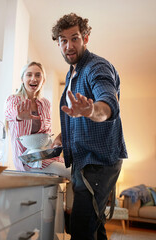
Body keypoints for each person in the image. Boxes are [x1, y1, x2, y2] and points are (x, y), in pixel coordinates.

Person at [50, 13, 128, 239]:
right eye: (63, 40)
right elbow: (78, 117)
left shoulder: (97, 66)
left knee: (81, 229)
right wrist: (63, 135)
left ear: (85, 37)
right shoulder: (72, 73)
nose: (68, 45)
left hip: (99, 162)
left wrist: (93, 110)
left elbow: (108, 103)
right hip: (86, 162)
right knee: (93, 227)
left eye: (74, 38)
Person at [4, 61, 70, 179]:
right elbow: (9, 113)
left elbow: (46, 134)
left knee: (75, 169)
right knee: (71, 172)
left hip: (43, 156)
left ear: (43, 80)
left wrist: (54, 144)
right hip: (27, 160)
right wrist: (18, 116)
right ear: (22, 79)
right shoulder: (13, 100)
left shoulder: (45, 103)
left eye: (38, 75)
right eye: (29, 75)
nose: (33, 79)